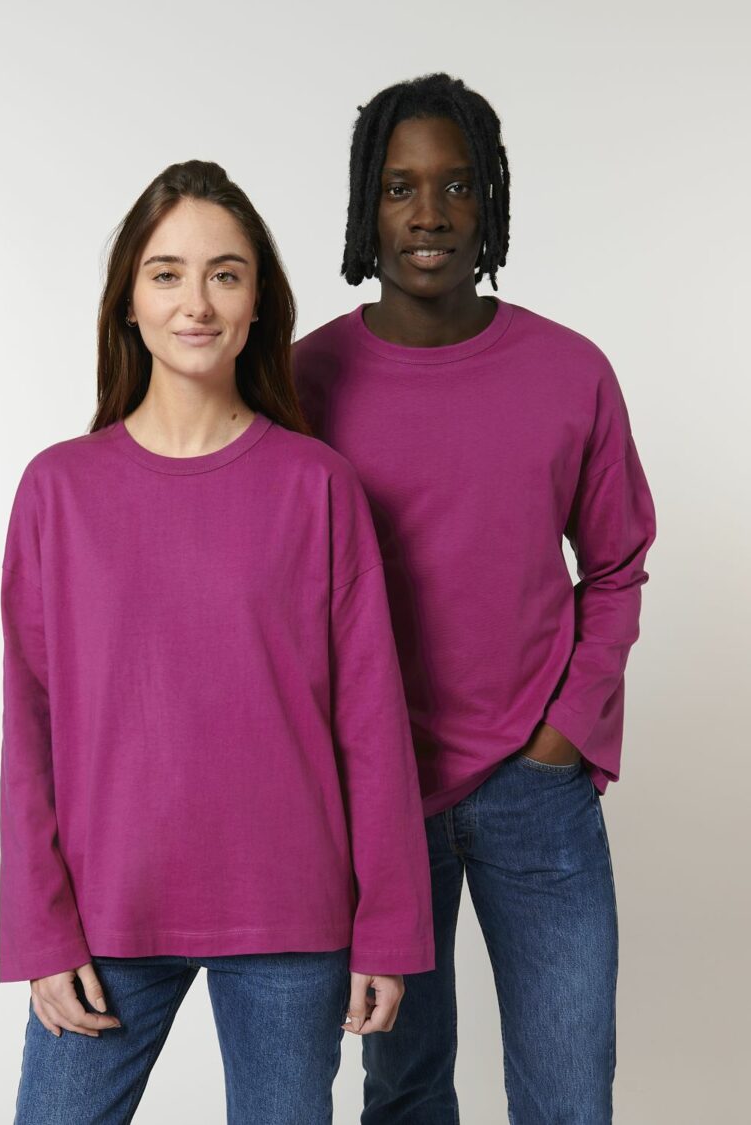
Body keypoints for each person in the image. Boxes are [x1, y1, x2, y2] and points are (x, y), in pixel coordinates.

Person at [0, 159, 434, 1125]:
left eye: (224, 275)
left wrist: (389, 926)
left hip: (291, 914)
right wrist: (38, 929)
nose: (196, 302)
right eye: (167, 274)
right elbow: (29, 729)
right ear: (129, 301)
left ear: (256, 302)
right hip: (107, 913)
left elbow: (370, 722)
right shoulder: (58, 491)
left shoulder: (317, 487)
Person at [292, 73, 656, 1124]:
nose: (430, 214)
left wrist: (565, 734)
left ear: (489, 200)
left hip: (534, 786)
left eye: (457, 186)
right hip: (377, 795)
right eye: (400, 188)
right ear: (366, 207)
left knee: (569, 1092)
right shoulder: (304, 382)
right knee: (404, 1089)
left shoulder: (570, 371)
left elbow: (618, 562)